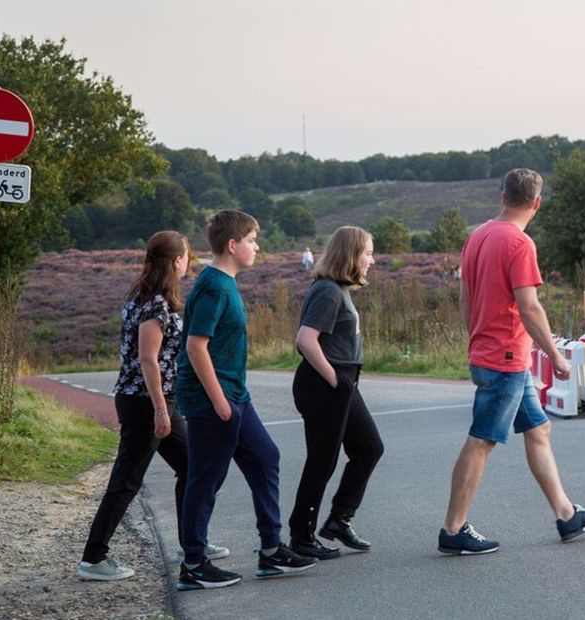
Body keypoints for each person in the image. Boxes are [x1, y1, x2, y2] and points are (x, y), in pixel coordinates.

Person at [438, 168, 585, 556]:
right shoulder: (519, 243)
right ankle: (453, 528)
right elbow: (529, 306)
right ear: (536, 203)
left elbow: (465, 298)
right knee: (482, 441)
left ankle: (567, 515)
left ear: (502, 196)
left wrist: (476, 336)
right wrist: (555, 355)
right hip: (506, 357)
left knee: (538, 429)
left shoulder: (477, 235)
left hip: (489, 350)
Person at [77, 231, 230, 581]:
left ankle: (193, 543)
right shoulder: (155, 304)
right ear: (177, 260)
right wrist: (161, 410)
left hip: (153, 399)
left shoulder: (144, 296)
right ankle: (93, 558)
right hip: (145, 402)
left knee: (192, 466)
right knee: (127, 480)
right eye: (187, 256)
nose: (189, 262)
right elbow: (148, 360)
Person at [175, 210, 314, 590]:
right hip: (212, 400)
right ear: (232, 245)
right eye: (252, 240)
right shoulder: (215, 286)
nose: (257, 246)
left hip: (237, 394)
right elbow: (195, 346)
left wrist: (231, 397)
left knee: (266, 457)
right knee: (206, 479)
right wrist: (218, 401)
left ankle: (271, 550)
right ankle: (193, 563)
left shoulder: (225, 282)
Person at [287, 226, 384, 560]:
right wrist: (334, 379)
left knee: (369, 448)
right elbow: (305, 339)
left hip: (340, 383)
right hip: (325, 384)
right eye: (368, 253)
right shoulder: (328, 291)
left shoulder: (338, 289)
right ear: (351, 254)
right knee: (322, 460)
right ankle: (301, 537)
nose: (372, 259)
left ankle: (339, 520)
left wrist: (343, 382)